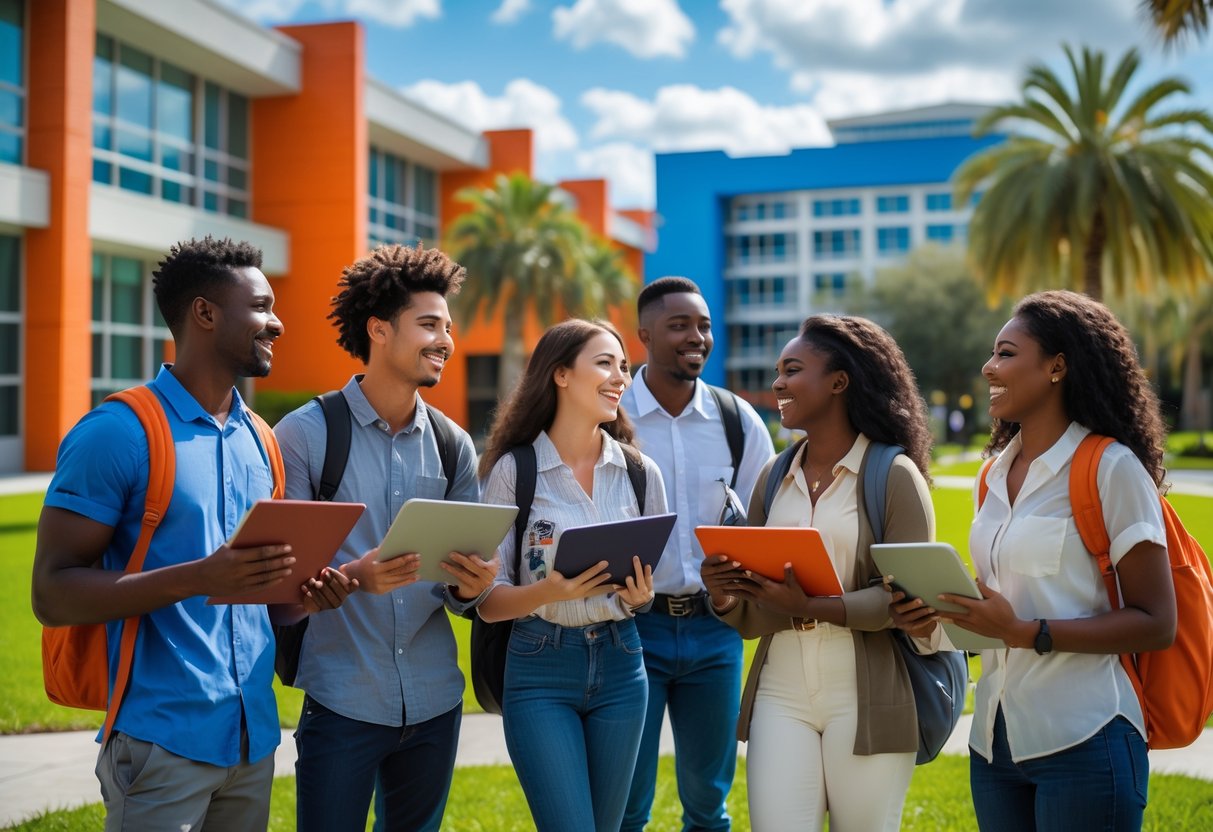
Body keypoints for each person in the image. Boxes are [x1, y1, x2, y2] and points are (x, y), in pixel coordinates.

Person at [31, 236, 353, 831]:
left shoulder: (262, 439)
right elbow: (51, 595)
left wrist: (301, 597)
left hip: (250, 741)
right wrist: (202, 576)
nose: (276, 323)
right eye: (260, 306)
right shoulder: (117, 433)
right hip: (160, 741)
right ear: (205, 313)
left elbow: (264, 601)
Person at [922, 290, 1175, 832]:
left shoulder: (1111, 468)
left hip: (1086, 738)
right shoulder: (990, 475)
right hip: (994, 743)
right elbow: (1002, 609)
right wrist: (947, 609)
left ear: (1057, 366)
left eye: (1006, 353)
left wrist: (1024, 630)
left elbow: (1157, 623)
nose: (989, 367)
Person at [273, 243, 496, 832]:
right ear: (378, 329)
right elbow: (278, 586)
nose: (444, 340)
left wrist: (474, 587)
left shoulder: (453, 445)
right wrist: (353, 579)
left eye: (447, 327)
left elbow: (463, 588)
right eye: (428, 324)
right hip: (342, 699)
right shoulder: (304, 435)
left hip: (435, 700)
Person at [701, 314, 935, 832]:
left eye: (792, 369)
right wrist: (724, 595)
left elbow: (906, 600)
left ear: (839, 381)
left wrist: (810, 607)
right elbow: (754, 615)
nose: (777, 383)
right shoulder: (774, 475)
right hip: (780, 691)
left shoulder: (893, 475)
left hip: (866, 693)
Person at [477, 318, 664, 832]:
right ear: (560, 374)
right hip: (539, 668)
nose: (620, 377)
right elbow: (486, 602)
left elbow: (646, 591)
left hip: (624, 666)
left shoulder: (642, 474)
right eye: (604, 363)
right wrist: (546, 591)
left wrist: (640, 598)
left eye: (624, 366)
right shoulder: (514, 472)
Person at [620, 276, 773, 832]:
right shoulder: (611, 419)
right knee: (626, 803)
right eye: (679, 325)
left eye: (703, 325)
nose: (697, 337)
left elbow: (767, 523)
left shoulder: (738, 423)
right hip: (631, 630)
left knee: (710, 804)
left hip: (715, 632)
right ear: (644, 335)